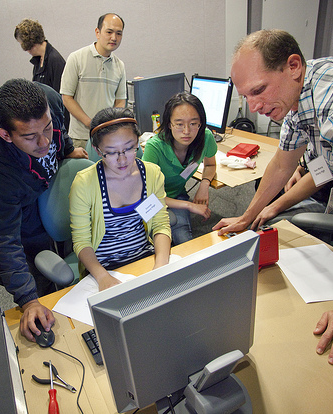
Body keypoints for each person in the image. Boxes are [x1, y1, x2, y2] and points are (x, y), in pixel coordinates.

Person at [213, 29, 333, 368]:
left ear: (293, 66)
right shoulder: (301, 93)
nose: (254, 106)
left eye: (259, 90)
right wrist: (247, 217)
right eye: (247, 96)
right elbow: (283, 164)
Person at [0, 79, 87, 341]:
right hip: (22, 207)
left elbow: (58, 131)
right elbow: (3, 240)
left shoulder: (49, 99)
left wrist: (67, 149)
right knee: (39, 273)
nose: (44, 141)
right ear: (6, 135)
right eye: (29, 137)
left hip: (46, 188)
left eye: (46, 128)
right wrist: (29, 300)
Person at [70, 107, 171, 291]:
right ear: (97, 150)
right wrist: (102, 277)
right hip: (103, 268)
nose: (123, 159)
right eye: (112, 152)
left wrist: (161, 264)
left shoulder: (151, 174)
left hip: (145, 258)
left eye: (129, 148)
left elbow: (160, 224)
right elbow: (81, 241)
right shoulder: (84, 183)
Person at [142, 92, 217, 245]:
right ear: (169, 124)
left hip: (176, 196)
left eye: (193, 123)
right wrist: (190, 206)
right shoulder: (154, 147)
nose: (187, 131)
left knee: (184, 241)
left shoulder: (205, 137)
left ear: (200, 123)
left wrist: (204, 184)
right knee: (150, 242)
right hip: (150, 200)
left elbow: (210, 164)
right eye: (179, 124)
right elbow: (148, 195)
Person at [60, 13, 126, 149]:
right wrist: (91, 123)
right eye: (109, 32)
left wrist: (108, 127)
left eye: (119, 34)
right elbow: (67, 97)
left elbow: (120, 101)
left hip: (107, 139)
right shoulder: (76, 58)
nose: (114, 38)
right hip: (80, 139)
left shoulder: (120, 66)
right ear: (97, 32)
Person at [14, 18, 70, 131]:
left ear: (26, 42)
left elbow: (60, 99)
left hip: (56, 123)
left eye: (20, 43)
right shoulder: (38, 61)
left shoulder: (55, 60)